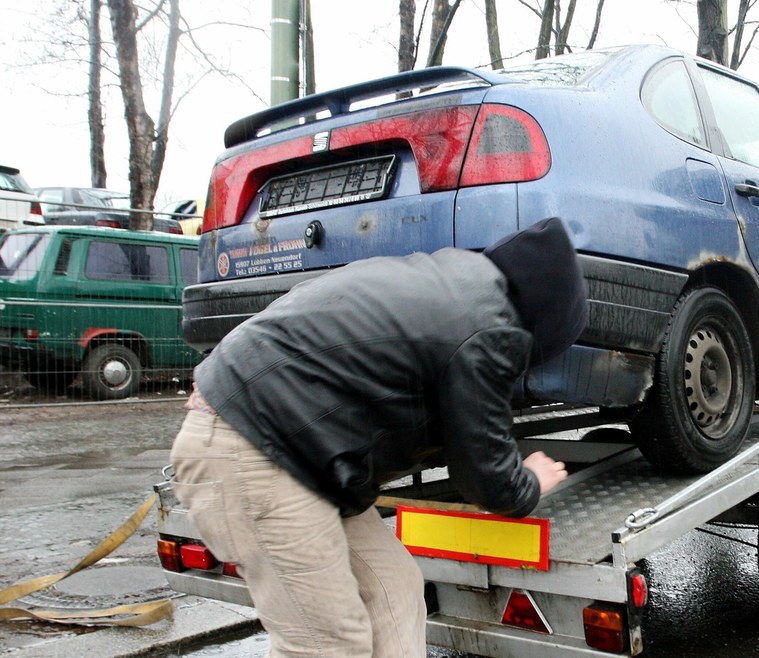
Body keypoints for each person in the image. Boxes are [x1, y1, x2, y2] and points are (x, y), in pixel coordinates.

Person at [168, 217, 588, 657]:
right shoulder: (491, 328)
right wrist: (531, 481)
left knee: (394, 588)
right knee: (327, 643)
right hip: (255, 451)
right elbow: (488, 479)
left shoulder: (459, 282)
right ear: (547, 325)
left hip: (297, 454)